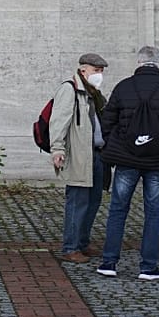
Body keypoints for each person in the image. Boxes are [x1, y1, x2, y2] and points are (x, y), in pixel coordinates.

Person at [96, 45, 159, 281]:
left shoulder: (124, 86)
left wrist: (115, 145)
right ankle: (148, 267)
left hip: (126, 160)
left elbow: (107, 121)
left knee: (118, 209)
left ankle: (109, 262)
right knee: (154, 213)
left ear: (138, 63)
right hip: (158, 160)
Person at [50, 53, 109, 264]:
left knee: (93, 201)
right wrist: (57, 149)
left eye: (101, 71)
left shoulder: (94, 93)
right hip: (79, 155)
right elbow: (58, 121)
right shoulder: (70, 90)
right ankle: (70, 247)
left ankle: (83, 242)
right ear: (83, 70)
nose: (99, 75)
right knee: (77, 202)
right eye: (96, 70)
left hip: (97, 155)